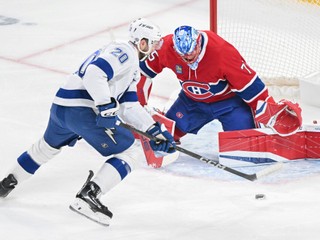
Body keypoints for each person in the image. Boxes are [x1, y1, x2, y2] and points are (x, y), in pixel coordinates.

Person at [0, 18, 176, 226]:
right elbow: (95, 73)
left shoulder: (132, 66)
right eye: (154, 42)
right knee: (132, 150)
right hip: (81, 111)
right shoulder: (126, 52)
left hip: (62, 108)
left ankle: (7, 183)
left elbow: (129, 106)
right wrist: (104, 104)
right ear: (142, 42)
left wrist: (153, 130)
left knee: (45, 148)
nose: (156, 47)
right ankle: (88, 196)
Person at [138, 25, 302, 144]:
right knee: (165, 135)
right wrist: (137, 107)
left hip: (229, 104)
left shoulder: (221, 52)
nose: (188, 58)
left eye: (191, 52)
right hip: (191, 101)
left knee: (243, 145)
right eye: (183, 55)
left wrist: (269, 110)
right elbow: (143, 73)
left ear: (198, 41)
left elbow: (250, 86)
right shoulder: (166, 47)